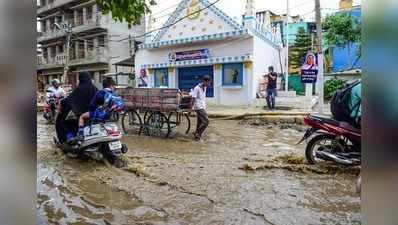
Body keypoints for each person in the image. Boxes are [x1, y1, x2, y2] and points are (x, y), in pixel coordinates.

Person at [56, 72, 98, 144]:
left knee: (64, 122)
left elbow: (69, 100)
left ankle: (70, 138)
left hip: (83, 115)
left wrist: (61, 103)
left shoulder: (80, 89)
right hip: (94, 114)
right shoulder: (95, 88)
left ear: (81, 79)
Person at [190, 75, 211, 141]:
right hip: (198, 107)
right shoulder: (197, 88)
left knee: (200, 121)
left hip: (202, 106)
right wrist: (191, 108)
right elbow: (193, 98)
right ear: (204, 81)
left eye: (209, 83)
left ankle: (196, 132)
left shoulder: (204, 87)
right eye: (208, 83)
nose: (209, 84)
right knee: (206, 121)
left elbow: (202, 98)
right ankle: (198, 134)